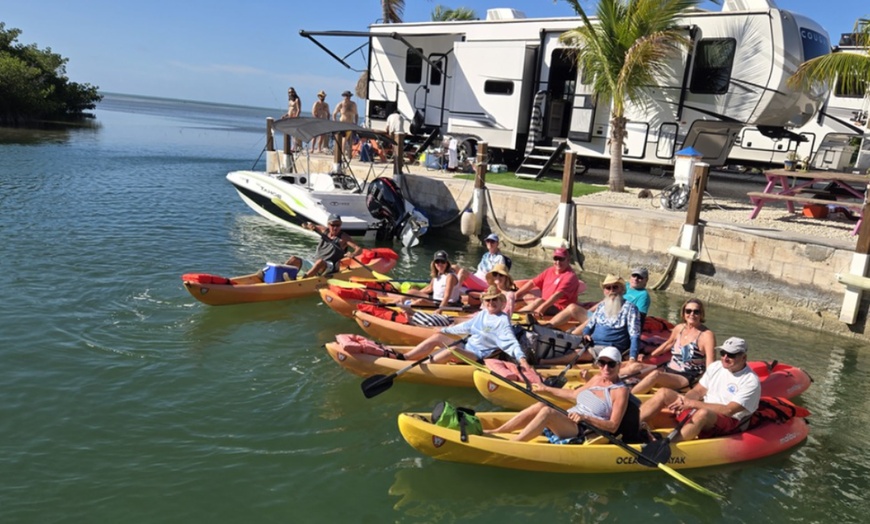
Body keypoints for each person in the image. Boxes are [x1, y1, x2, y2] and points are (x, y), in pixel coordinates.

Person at [485, 347, 637, 442]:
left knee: (548, 412)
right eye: (602, 363)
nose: (606, 368)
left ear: (619, 365)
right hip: (570, 419)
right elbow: (574, 394)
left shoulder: (620, 391)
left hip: (585, 429)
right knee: (541, 405)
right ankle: (497, 431)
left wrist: (585, 418)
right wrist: (546, 389)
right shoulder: (597, 378)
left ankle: (516, 443)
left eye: (611, 364)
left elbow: (613, 426)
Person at [639, 337, 761, 443]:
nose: (725, 358)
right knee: (664, 392)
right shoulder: (716, 366)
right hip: (703, 407)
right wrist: (684, 400)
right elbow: (697, 392)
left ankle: (668, 443)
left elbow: (728, 410)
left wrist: (692, 404)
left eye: (731, 355)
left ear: (743, 357)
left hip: (729, 420)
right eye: (723, 353)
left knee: (703, 413)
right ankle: (633, 424)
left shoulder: (751, 381)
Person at [398, 285, 530, 368]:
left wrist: (522, 359)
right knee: (438, 336)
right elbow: (466, 326)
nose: (491, 302)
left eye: (494, 299)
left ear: (501, 302)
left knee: (453, 350)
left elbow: (510, 342)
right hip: (467, 346)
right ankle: (405, 357)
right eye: (488, 300)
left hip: (478, 355)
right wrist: (444, 329)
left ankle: (421, 367)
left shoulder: (502, 320)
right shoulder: (483, 313)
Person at [623, 298, 715, 394]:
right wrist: (648, 357)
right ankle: (612, 383)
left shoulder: (707, 335)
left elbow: (710, 365)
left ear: (701, 314)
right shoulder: (679, 328)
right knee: (635, 366)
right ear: (683, 313)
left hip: (687, 377)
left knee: (656, 375)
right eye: (688, 311)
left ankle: (627, 397)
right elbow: (668, 344)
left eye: (696, 312)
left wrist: (706, 388)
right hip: (669, 369)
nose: (692, 314)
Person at [547, 274, 640, 366]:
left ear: (622, 289)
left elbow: (634, 335)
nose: (612, 291)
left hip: (610, 347)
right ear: (604, 291)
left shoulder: (630, 308)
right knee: (563, 342)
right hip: (591, 343)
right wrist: (586, 333)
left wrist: (632, 358)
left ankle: (545, 362)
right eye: (608, 288)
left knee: (579, 352)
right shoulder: (601, 306)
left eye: (615, 287)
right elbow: (590, 325)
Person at [514, 248, 584, 321]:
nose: (558, 262)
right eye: (555, 258)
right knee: (524, 294)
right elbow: (532, 282)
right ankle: (515, 310)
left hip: (560, 309)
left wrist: (541, 308)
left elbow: (557, 295)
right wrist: (516, 294)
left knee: (539, 301)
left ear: (568, 260)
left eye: (561, 259)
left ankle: (517, 316)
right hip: (545, 303)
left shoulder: (570, 276)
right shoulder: (550, 270)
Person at [285, 214, 361, 277]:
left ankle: (304, 280)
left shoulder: (344, 237)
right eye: (333, 225)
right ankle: (280, 274)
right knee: (293, 259)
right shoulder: (323, 230)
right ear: (328, 225)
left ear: (340, 225)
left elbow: (359, 249)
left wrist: (353, 254)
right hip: (315, 263)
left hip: (330, 267)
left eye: (338, 225)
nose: (335, 228)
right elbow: (304, 225)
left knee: (320, 262)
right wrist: (308, 226)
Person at [333, 90, 358, 158]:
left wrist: (356, 123)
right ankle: (342, 154)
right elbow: (334, 114)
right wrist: (335, 122)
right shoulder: (340, 104)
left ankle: (349, 155)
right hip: (342, 124)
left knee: (351, 140)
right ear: (344, 96)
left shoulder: (353, 104)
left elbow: (356, 114)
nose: (348, 97)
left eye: (349, 96)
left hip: (350, 124)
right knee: (344, 139)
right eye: (346, 96)